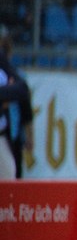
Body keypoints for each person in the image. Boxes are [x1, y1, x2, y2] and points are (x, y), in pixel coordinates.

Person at [0, 24, 32, 179]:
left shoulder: (1, 61)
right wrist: (7, 93)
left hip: (4, 134)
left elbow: (22, 89)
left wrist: (3, 95)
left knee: (10, 177)